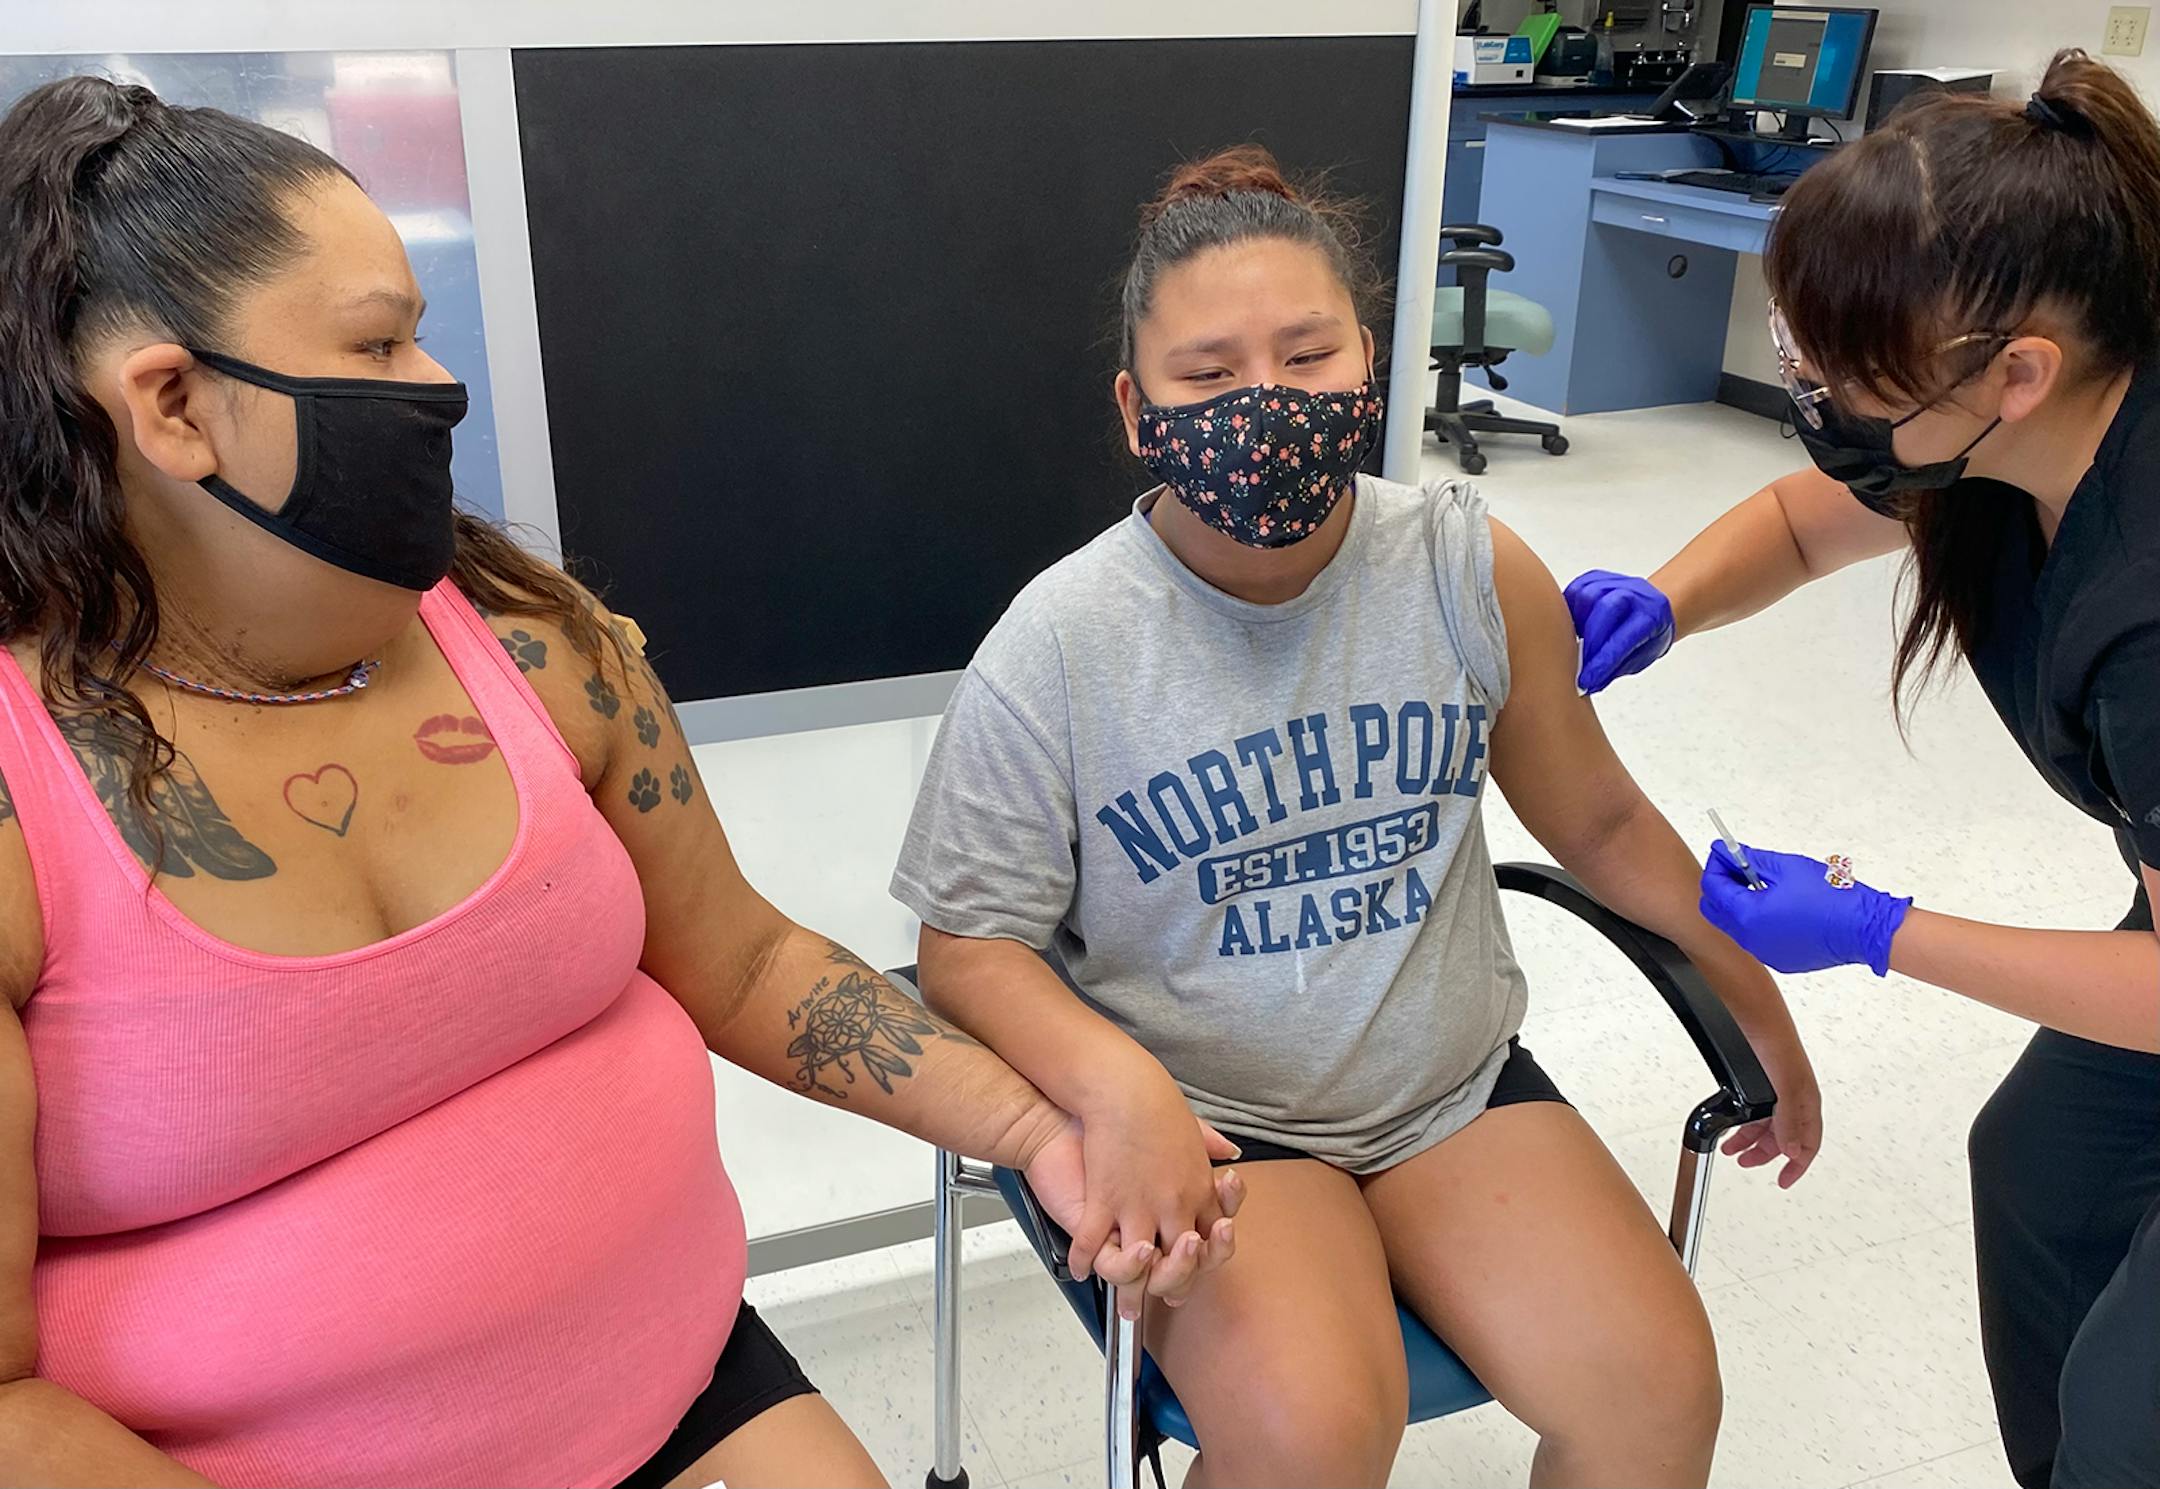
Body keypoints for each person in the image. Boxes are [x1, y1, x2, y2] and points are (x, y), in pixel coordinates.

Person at [0, 77, 1242, 1489]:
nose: (434, 383)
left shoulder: (533, 644)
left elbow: (749, 957)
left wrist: (1038, 1129)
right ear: (173, 405)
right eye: (379, 341)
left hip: (688, 1386)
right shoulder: (23, 792)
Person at [892, 145, 1824, 1489]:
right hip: (1215, 1111)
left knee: (1659, 1390)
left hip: (1444, 1086)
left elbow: (1607, 823)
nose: (1264, 404)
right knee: (1314, 1437)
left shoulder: (1465, 568)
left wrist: (1758, 998)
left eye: (1309, 355)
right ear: (1135, 406)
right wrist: (1114, 1085)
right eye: (1207, 377)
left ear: (1370, 362)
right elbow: (964, 947)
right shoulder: (1062, 643)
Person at [1563, 50, 2160, 1489]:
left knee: (2134, 1415)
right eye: (1802, 363)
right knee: (2043, 1176)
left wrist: (1880, 931)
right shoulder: (2004, 441)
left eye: (1850, 378)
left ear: (2018, 373)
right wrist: (1665, 604)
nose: (1820, 404)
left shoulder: (2144, 594)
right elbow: (1799, 513)